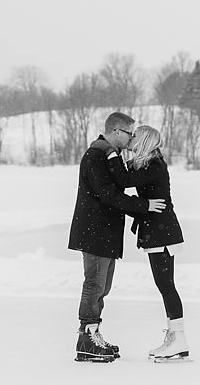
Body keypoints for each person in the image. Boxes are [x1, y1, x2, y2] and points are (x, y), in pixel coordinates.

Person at [67, 112, 166, 363]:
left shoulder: (111, 156)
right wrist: (144, 205)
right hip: (95, 230)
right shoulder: (96, 156)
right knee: (94, 284)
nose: (132, 139)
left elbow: (120, 184)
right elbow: (108, 194)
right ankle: (86, 339)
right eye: (130, 134)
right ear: (116, 132)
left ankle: (93, 334)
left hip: (106, 231)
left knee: (103, 286)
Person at [126, 125, 189, 362]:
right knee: (165, 285)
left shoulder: (154, 166)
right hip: (159, 232)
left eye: (134, 137)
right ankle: (175, 338)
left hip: (162, 233)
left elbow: (125, 179)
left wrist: (111, 159)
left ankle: (179, 338)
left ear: (143, 141)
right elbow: (130, 176)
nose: (131, 139)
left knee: (166, 285)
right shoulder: (149, 164)